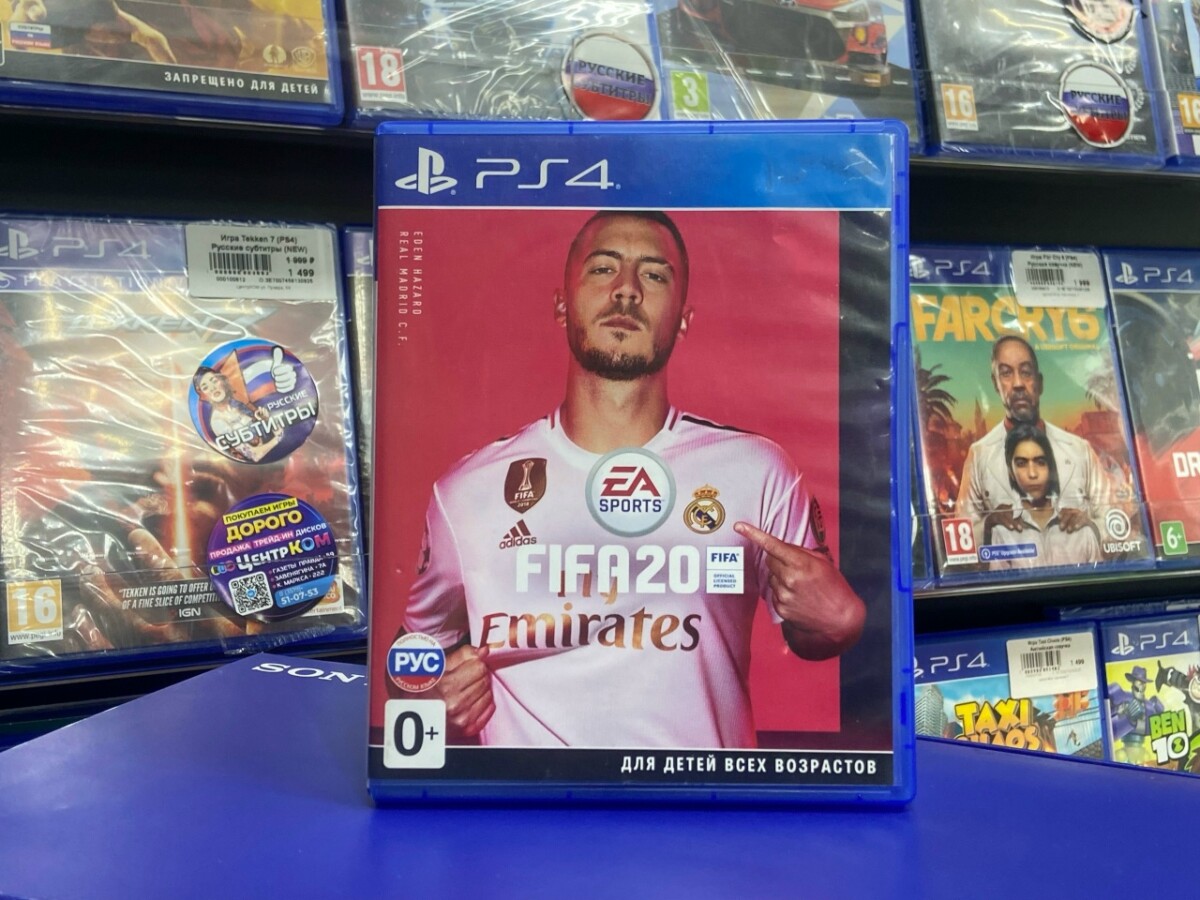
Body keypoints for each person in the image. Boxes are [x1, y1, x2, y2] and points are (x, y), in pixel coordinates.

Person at [402, 210, 865, 749]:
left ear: (683, 319)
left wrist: (841, 621)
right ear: (561, 304)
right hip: (533, 799)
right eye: (603, 269)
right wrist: (427, 695)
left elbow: (813, 633)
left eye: (654, 274)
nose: (626, 290)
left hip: (703, 797)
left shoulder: (756, 470)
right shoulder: (467, 492)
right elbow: (409, 659)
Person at [954, 334, 1115, 554]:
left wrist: (1090, 526)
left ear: (1039, 383)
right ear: (995, 383)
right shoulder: (979, 455)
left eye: (1026, 372)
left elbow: (1117, 525)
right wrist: (988, 525)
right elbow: (960, 542)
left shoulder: (1080, 450)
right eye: (1006, 373)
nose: (1018, 384)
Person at [982, 424, 1102, 569]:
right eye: (1021, 464)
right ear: (1010, 472)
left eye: (1040, 462)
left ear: (1051, 468)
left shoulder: (1081, 530)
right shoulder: (1002, 533)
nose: (1032, 474)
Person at [193, 367, 282, 463]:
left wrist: (266, 420)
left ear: (222, 381)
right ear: (203, 395)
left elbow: (275, 430)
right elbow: (255, 455)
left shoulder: (238, 405)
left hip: (278, 454)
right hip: (262, 465)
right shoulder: (217, 421)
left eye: (214, 381)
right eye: (205, 387)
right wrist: (278, 439)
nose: (213, 388)